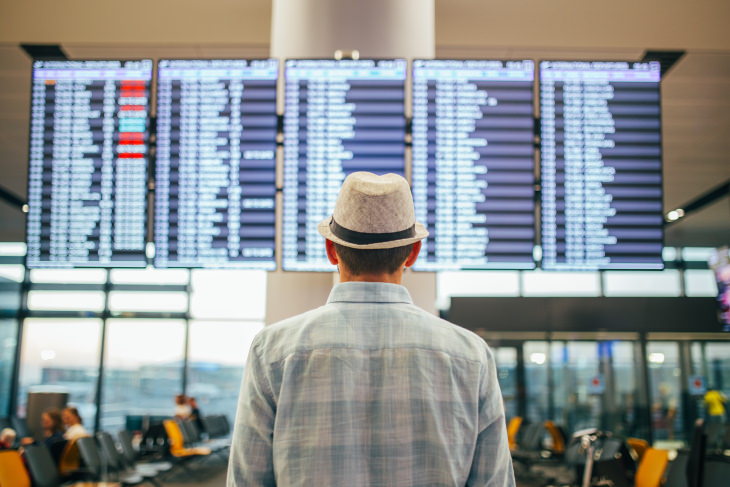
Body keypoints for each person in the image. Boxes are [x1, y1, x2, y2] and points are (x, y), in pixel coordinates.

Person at [228, 172, 515, 486]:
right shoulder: (470, 354)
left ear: (331, 250)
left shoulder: (273, 349)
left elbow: (247, 480)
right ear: (413, 253)